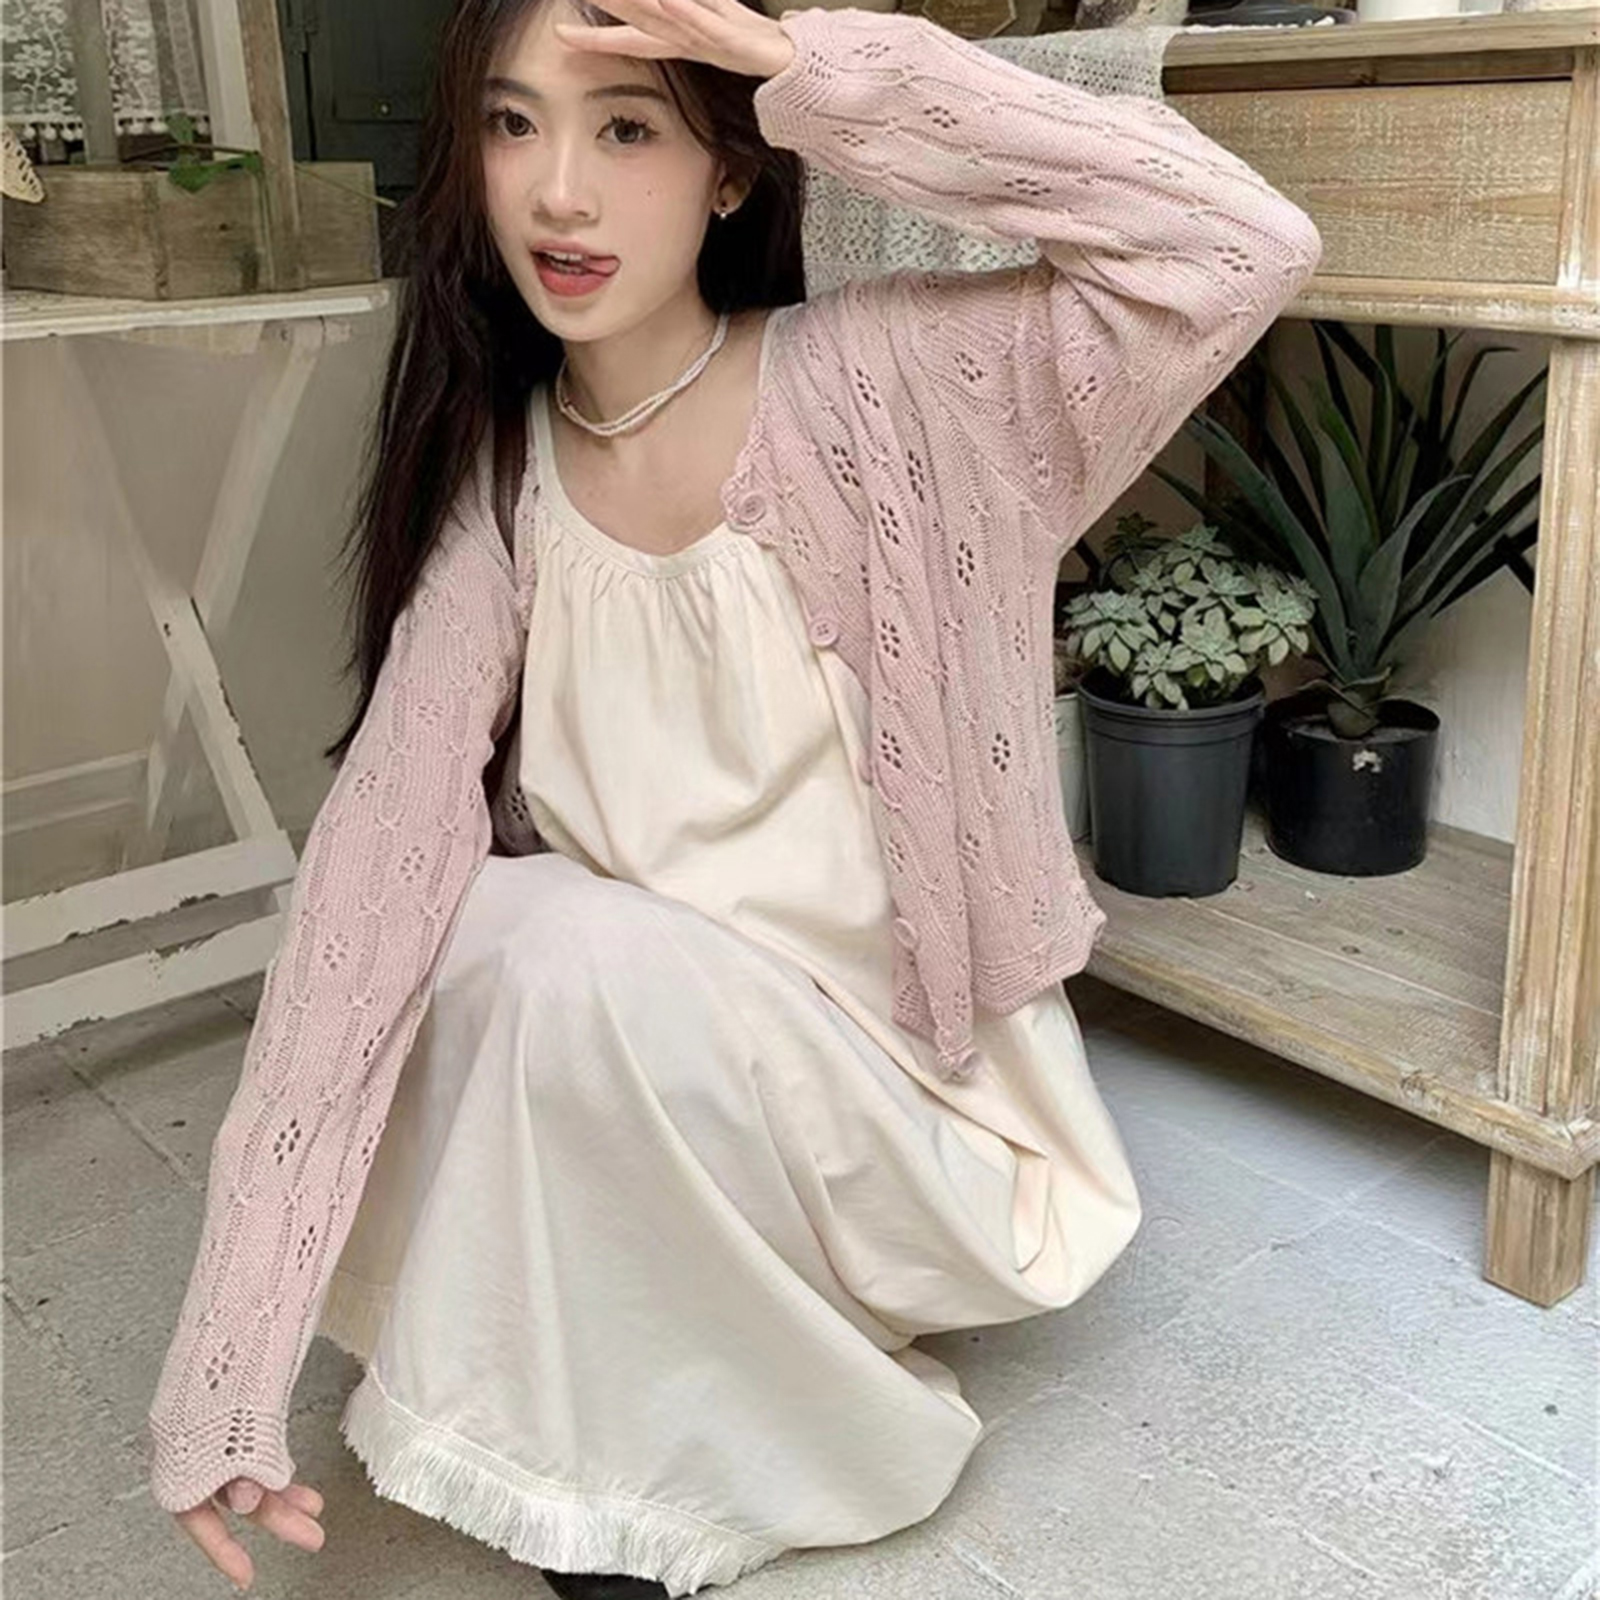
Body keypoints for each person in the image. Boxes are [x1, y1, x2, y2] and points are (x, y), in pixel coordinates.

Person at [150, 0, 1323, 1595]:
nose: (559, 192)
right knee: (450, 916)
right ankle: (616, 1362)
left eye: (628, 126)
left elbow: (1238, 245)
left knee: (564, 956)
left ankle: (657, 1451)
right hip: (640, 1061)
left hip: (900, 1112)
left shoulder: (897, 382)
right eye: (512, 124)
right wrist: (226, 1348)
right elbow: (371, 882)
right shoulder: (505, 479)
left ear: (727, 169)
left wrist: (808, 70)